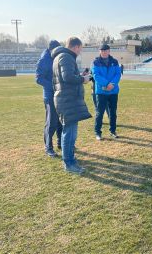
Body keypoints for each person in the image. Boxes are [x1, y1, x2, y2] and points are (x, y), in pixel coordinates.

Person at [52, 37, 92, 174]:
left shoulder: (61, 57)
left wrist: (80, 75)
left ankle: (70, 160)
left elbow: (66, 77)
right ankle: (68, 163)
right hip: (67, 100)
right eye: (80, 48)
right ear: (76, 47)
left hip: (67, 99)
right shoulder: (66, 57)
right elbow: (68, 78)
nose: (80, 51)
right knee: (69, 133)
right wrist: (83, 79)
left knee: (69, 132)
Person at [35, 40, 62, 157]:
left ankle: (61, 142)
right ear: (52, 49)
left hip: (59, 94)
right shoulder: (44, 60)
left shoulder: (55, 57)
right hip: (50, 96)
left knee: (61, 121)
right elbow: (38, 78)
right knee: (51, 122)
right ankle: (48, 147)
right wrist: (53, 86)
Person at [91, 44, 122, 141]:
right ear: (99, 51)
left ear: (109, 51)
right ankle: (98, 132)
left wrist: (112, 84)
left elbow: (118, 74)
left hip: (113, 91)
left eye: (106, 50)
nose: (104, 52)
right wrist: (106, 85)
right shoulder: (95, 62)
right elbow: (96, 75)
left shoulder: (115, 62)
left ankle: (113, 131)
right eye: (102, 50)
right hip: (101, 91)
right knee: (100, 113)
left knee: (113, 112)